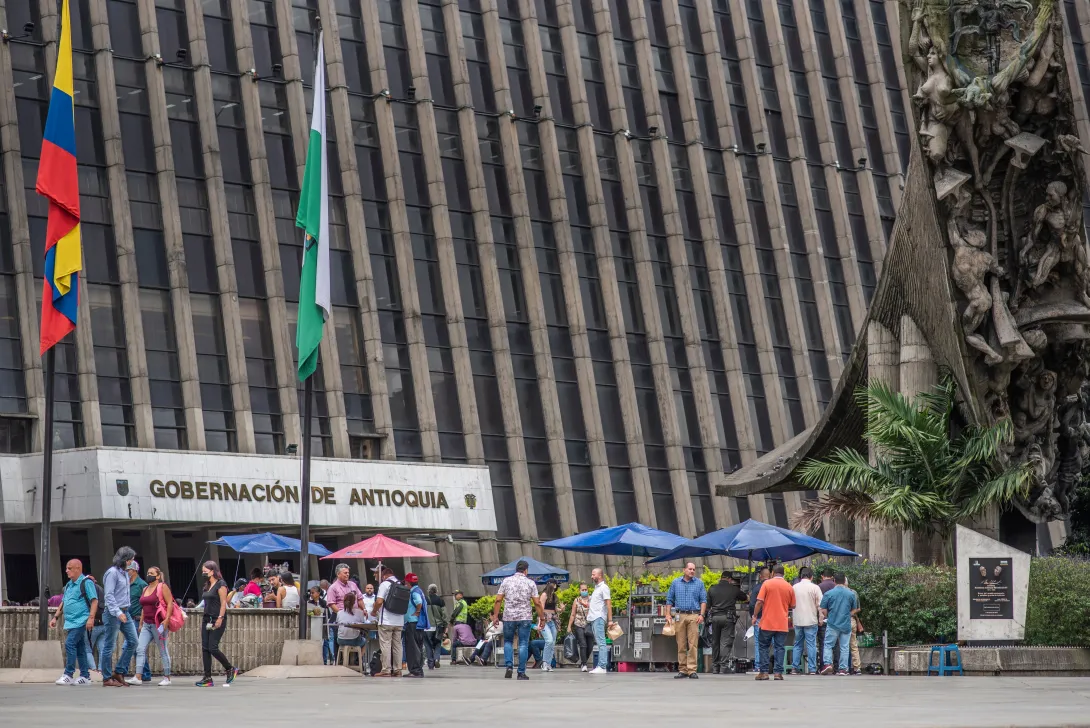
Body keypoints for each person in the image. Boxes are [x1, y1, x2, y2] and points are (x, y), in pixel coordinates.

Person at [491, 559, 544, 680]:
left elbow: (498, 600)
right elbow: (537, 602)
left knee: (508, 641)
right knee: (523, 643)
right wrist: (542, 618)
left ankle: (509, 666)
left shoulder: (506, 581)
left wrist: (495, 616)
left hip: (509, 616)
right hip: (525, 617)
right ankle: (521, 672)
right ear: (526, 570)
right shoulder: (530, 583)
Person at [50, 559, 98, 685]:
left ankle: (68, 674)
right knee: (80, 648)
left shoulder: (86, 582)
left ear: (78, 568)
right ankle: (85, 676)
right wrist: (55, 617)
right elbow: (64, 602)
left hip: (81, 620)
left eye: (69, 568)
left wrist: (91, 618)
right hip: (71, 622)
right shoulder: (69, 585)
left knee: (70, 643)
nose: (67, 571)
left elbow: (94, 600)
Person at [100, 546, 140, 687]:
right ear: (125, 560)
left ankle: (119, 671)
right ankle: (106, 678)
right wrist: (118, 612)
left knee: (134, 641)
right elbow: (109, 595)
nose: (132, 562)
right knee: (109, 645)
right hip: (113, 613)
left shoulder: (124, 573)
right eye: (131, 559)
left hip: (125, 611)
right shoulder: (112, 573)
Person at [129, 565, 174, 686]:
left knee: (162, 650)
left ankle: (167, 677)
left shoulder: (162, 587)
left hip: (158, 623)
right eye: (148, 572)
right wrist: (141, 622)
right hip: (147, 624)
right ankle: (138, 676)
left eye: (152, 573)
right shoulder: (145, 588)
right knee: (140, 648)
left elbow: (170, 603)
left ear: (158, 576)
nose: (149, 575)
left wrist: (167, 619)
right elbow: (143, 607)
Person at [196, 561, 239, 687]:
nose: (204, 574)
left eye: (206, 571)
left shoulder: (221, 584)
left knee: (213, 647)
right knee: (205, 648)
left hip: (217, 618)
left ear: (213, 571)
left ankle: (230, 668)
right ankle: (207, 677)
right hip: (206, 618)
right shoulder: (207, 585)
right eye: (202, 572)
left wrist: (220, 618)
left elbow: (223, 603)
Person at [752, 564, 795, 681]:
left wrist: (755, 616)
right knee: (780, 647)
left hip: (767, 622)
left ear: (772, 573)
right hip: (782, 623)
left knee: (764, 647)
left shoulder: (767, 584)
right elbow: (793, 605)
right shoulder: (789, 586)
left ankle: (764, 672)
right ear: (783, 574)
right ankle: (778, 673)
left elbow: (759, 602)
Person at [665, 562, 708, 679]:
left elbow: (703, 600)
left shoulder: (699, 583)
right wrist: (668, 614)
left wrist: (702, 614)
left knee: (693, 643)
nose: (692, 571)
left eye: (694, 569)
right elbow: (669, 599)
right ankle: (683, 669)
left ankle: (692, 669)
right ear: (684, 570)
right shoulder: (675, 582)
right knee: (681, 644)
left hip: (694, 615)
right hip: (680, 615)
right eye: (690, 569)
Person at [706, 571, 747, 674]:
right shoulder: (733, 589)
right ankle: (723, 667)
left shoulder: (712, 588)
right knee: (725, 642)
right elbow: (746, 598)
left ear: (721, 578)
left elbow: (708, 605)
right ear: (730, 579)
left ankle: (715, 667)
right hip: (728, 618)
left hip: (715, 618)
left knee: (715, 642)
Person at [819, 573, 859, 676]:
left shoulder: (829, 593)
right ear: (844, 581)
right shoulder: (851, 594)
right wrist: (847, 614)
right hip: (846, 624)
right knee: (844, 647)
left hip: (832, 623)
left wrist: (828, 615)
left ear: (834, 581)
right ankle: (843, 669)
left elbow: (823, 609)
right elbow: (854, 609)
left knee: (828, 644)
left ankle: (827, 664)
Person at [327, 563, 365, 665]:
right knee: (338, 639)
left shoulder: (353, 585)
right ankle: (339, 663)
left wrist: (364, 609)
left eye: (348, 572)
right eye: (345, 573)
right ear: (338, 574)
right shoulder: (333, 587)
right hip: (340, 615)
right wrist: (342, 614)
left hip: (355, 615)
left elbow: (360, 599)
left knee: (359, 635)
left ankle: (356, 663)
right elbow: (331, 603)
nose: (347, 574)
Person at [372, 566, 406, 677]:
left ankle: (386, 669)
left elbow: (379, 601)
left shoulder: (384, 584)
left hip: (386, 620)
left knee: (386, 645)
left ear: (384, 575)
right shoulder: (401, 584)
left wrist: (374, 611)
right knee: (397, 646)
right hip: (399, 621)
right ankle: (398, 669)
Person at [790, 567, 823, 676]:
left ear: (800, 577)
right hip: (811, 620)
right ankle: (812, 669)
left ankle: (794, 668)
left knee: (797, 644)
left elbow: (790, 604)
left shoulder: (794, 587)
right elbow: (820, 605)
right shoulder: (815, 588)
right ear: (811, 577)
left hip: (798, 621)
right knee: (811, 645)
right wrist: (821, 618)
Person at [122, 561, 149, 682]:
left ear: (134, 571)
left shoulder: (141, 584)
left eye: (128, 570)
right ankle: (146, 673)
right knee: (137, 649)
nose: (126, 572)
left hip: (137, 619)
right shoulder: (125, 584)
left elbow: (145, 604)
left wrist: (142, 622)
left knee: (128, 646)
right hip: (128, 619)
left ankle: (122, 671)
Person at [586, 568, 613, 675]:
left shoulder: (604, 588)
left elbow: (608, 604)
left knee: (601, 642)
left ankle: (602, 666)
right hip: (593, 618)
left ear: (600, 575)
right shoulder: (596, 588)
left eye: (593, 574)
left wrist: (610, 620)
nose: (592, 576)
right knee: (599, 641)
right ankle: (600, 665)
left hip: (598, 618)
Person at [334, 591, 369, 669]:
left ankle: (344, 661)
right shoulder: (359, 612)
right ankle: (358, 660)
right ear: (354, 602)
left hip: (340, 640)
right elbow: (363, 625)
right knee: (365, 641)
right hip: (354, 640)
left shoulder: (339, 613)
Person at [403, 573, 428, 678]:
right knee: (418, 646)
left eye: (405, 582)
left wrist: (417, 611)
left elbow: (419, 602)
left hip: (413, 622)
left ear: (408, 583)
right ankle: (418, 669)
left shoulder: (414, 592)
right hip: (418, 624)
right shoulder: (420, 590)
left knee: (412, 648)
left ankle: (415, 670)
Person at [566, 582, 594, 671]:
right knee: (583, 644)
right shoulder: (576, 600)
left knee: (590, 645)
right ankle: (584, 664)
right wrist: (569, 626)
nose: (584, 591)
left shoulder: (592, 599)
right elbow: (573, 614)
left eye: (586, 589)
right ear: (580, 590)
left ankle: (583, 660)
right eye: (583, 590)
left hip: (589, 625)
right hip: (579, 624)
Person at [749, 566, 770, 673]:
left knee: (759, 642)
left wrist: (753, 616)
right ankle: (772, 665)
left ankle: (758, 665)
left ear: (760, 576)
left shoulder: (757, 588)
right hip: (772, 618)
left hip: (759, 619)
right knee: (773, 642)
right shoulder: (772, 587)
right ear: (770, 575)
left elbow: (753, 604)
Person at [537, 579, 561, 672]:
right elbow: (541, 608)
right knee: (549, 640)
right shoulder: (544, 595)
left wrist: (561, 609)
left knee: (553, 642)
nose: (555, 587)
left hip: (552, 620)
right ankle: (544, 663)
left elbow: (555, 609)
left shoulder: (554, 596)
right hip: (545, 620)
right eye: (555, 585)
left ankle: (549, 663)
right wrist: (541, 621)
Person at [816, 567, 836, 669]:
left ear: (822, 576)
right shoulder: (836, 586)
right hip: (836, 619)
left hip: (823, 619)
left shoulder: (818, 587)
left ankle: (824, 666)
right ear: (832, 577)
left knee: (823, 643)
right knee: (837, 645)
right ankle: (838, 667)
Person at [424, 584, 447, 669]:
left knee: (427, 645)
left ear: (428, 590)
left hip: (427, 626)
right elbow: (444, 614)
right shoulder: (440, 600)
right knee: (438, 643)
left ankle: (430, 663)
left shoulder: (424, 600)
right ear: (436, 590)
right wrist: (445, 625)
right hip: (438, 626)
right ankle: (436, 659)